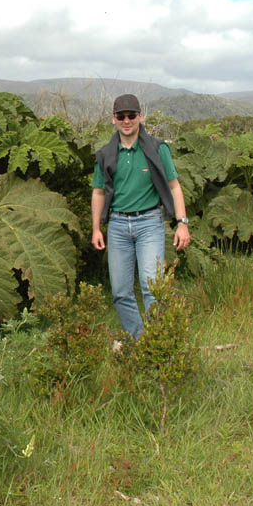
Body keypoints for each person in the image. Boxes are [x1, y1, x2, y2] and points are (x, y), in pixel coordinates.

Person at [91, 94, 190, 338]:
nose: (127, 121)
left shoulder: (157, 149)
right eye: (121, 116)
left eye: (131, 115)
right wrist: (96, 228)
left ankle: (159, 341)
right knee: (121, 292)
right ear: (113, 119)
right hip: (117, 226)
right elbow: (98, 192)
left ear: (140, 117)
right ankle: (138, 339)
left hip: (150, 224)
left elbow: (175, 187)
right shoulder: (105, 155)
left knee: (153, 288)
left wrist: (182, 223)